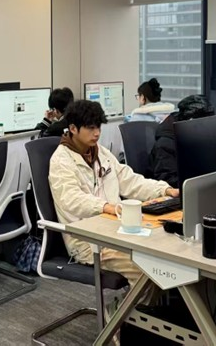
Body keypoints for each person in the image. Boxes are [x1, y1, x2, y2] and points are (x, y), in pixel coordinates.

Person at [48, 99, 178, 286]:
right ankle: (135, 304)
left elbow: (129, 181)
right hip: (88, 241)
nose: (97, 133)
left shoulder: (100, 152)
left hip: (115, 229)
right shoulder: (61, 161)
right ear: (73, 128)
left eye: (98, 127)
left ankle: (150, 302)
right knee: (145, 267)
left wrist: (164, 189)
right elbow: (71, 199)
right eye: (91, 128)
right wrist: (106, 207)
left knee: (165, 252)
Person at [148, 95, 215, 188]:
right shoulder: (166, 144)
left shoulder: (194, 135)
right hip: (172, 191)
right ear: (191, 121)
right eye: (204, 124)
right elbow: (168, 180)